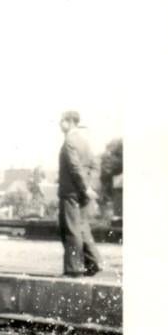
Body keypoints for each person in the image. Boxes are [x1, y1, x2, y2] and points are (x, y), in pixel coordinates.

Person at [57, 110, 102, 277]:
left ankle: (74, 269)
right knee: (82, 227)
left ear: (69, 121)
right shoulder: (84, 141)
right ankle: (94, 262)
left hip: (71, 193)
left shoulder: (69, 141)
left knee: (71, 229)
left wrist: (85, 188)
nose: (60, 125)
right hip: (83, 193)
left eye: (61, 121)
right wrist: (90, 187)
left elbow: (75, 167)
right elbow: (94, 165)